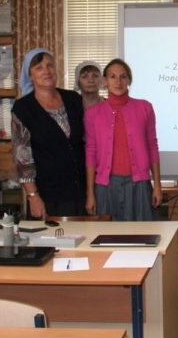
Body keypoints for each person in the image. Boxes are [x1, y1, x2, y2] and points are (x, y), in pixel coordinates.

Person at [11, 48, 87, 219]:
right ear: (30, 75)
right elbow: (22, 158)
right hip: (47, 196)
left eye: (50, 65)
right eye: (39, 68)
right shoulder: (23, 108)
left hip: (80, 192)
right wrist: (33, 196)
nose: (46, 71)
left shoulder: (73, 98)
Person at [84, 58, 162, 221]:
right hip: (106, 185)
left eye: (123, 77)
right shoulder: (93, 113)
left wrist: (157, 185)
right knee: (107, 238)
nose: (118, 82)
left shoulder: (144, 107)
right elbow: (91, 152)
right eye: (112, 77)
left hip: (139, 184)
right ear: (105, 81)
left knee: (141, 237)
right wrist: (90, 193)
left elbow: (152, 146)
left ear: (129, 80)